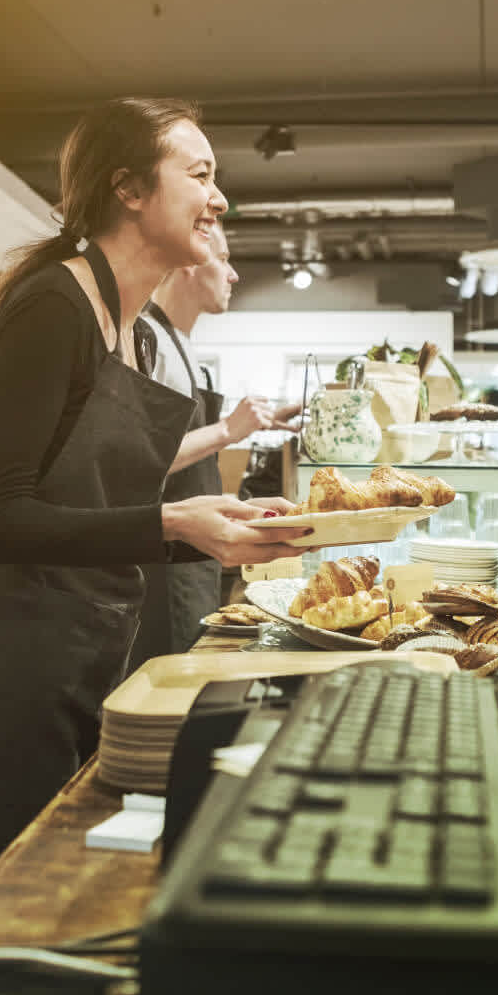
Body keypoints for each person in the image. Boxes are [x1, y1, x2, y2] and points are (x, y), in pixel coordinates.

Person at [0, 97, 307, 948]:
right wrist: (173, 526)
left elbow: (93, 491)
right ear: (127, 189)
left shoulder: (129, 332)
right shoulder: (57, 305)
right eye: (199, 174)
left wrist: (206, 512)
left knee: (44, 924)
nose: (219, 199)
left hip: (87, 659)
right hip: (9, 678)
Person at [132, 225, 301, 668]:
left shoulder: (180, 344)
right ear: (188, 263)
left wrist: (269, 418)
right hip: (165, 559)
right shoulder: (148, 340)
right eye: (223, 259)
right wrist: (228, 430)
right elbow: (141, 463)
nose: (233, 275)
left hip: (192, 555)